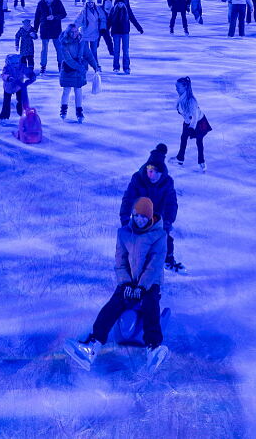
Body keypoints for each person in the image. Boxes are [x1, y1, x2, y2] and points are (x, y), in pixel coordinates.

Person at [64, 196, 169, 372]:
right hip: (128, 282)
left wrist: (142, 286)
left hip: (150, 282)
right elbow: (120, 262)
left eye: (144, 217)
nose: (140, 220)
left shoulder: (159, 236)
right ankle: (93, 345)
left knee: (150, 305)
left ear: (150, 218)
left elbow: (155, 264)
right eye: (137, 215)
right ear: (133, 215)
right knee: (113, 305)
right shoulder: (124, 233)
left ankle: (153, 347)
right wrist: (126, 283)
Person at [121, 143, 183, 271]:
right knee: (135, 237)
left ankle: (167, 258)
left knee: (163, 237)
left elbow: (171, 204)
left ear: (162, 173)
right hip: (140, 215)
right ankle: (130, 260)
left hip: (157, 216)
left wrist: (167, 222)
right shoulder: (138, 178)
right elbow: (128, 198)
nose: (152, 176)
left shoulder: (167, 183)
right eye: (149, 172)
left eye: (156, 173)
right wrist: (125, 218)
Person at [55, 23, 96, 122]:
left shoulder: (82, 41)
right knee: (66, 90)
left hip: (79, 70)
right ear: (68, 32)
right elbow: (68, 59)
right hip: (68, 69)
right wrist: (79, 67)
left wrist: (95, 65)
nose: (75, 33)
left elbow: (88, 54)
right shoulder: (64, 43)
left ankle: (79, 111)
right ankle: (63, 109)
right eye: (72, 32)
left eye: (76, 31)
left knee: (78, 90)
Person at [172, 77, 209, 174]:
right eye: (176, 86)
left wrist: (192, 128)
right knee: (183, 139)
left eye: (178, 87)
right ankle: (180, 159)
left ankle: (201, 162)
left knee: (199, 141)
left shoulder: (191, 100)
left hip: (199, 122)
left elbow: (195, 116)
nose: (176, 88)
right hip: (188, 122)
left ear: (185, 87)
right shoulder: (181, 98)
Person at [34, 0, 67, 75]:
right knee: (44, 49)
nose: (48, 1)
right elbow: (37, 17)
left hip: (56, 29)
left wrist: (55, 17)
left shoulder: (58, 3)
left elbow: (64, 14)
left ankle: (61, 65)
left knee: (59, 48)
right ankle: (43, 66)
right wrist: (35, 30)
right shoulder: (41, 4)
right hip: (45, 29)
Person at [107, 0, 144, 74]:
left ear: (124, 3)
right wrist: (105, 30)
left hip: (125, 33)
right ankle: (116, 66)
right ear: (116, 3)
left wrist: (139, 28)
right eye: (119, 3)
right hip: (115, 33)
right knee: (116, 51)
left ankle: (126, 67)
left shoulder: (127, 10)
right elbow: (109, 21)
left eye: (121, 3)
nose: (120, 4)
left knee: (126, 51)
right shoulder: (113, 10)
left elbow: (133, 19)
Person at [0, 53, 36, 124]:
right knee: (6, 102)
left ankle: (22, 113)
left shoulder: (21, 66)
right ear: (9, 62)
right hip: (8, 87)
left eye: (16, 63)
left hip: (19, 86)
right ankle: (4, 117)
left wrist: (32, 76)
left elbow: (27, 71)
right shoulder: (7, 68)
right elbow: (4, 75)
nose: (15, 65)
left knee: (21, 100)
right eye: (13, 63)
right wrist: (8, 78)